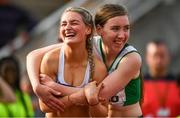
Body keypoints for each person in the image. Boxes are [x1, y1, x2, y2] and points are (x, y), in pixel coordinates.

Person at [26, 4, 143, 117]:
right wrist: (37, 86)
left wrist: (54, 86)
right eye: (115, 29)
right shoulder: (89, 43)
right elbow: (33, 55)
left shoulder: (132, 58)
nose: (122, 35)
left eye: (126, 28)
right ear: (99, 30)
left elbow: (97, 95)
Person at [29, 7, 107, 117]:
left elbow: (102, 114)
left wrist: (93, 102)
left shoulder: (98, 68)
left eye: (74, 23)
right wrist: (77, 97)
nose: (67, 27)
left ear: (88, 29)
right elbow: (45, 106)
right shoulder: (50, 60)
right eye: (63, 24)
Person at [142, 40, 180, 117]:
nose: (159, 60)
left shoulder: (178, 83)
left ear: (169, 56)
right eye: (155, 55)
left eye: (162, 55)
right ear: (147, 57)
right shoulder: (138, 84)